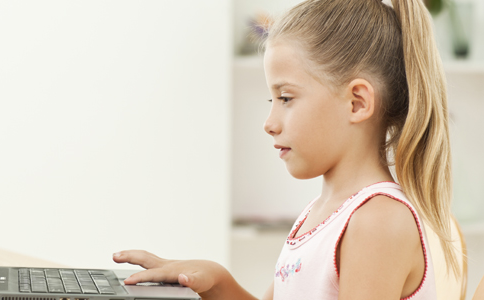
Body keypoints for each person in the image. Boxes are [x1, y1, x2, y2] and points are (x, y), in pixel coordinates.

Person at [113, 0, 465, 299]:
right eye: (272, 99)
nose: (269, 122)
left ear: (357, 102)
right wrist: (218, 282)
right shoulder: (323, 213)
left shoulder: (377, 222)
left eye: (285, 98)